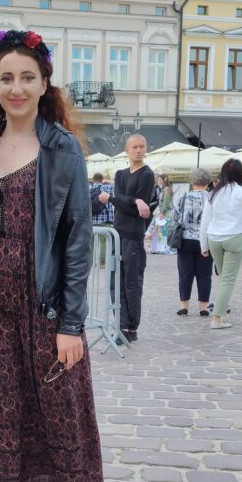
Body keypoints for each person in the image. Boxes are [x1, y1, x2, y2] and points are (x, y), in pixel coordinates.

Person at [0, 28, 103, 482]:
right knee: (2, 407)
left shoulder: (62, 148)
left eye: (27, 77)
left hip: (45, 304)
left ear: (45, 83)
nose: (16, 87)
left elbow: (77, 240)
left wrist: (71, 321)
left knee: (60, 405)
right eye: (6, 78)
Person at [99, 135, 156, 342]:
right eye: (134, 147)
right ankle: (121, 326)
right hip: (118, 233)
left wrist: (113, 199)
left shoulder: (147, 174)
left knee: (132, 283)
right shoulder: (121, 174)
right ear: (127, 150)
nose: (139, 150)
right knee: (115, 282)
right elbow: (125, 203)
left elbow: (131, 210)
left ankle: (131, 328)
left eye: (142, 146)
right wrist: (134, 200)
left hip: (133, 236)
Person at [200, 158, 242, 329]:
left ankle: (221, 314)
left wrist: (203, 245)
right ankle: (217, 318)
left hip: (214, 238)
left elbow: (205, 222)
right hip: (235, 237)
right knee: (228, 279)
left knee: (224, 277)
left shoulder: (213, 193)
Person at [173, 169, 214, 317]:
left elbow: (175, 217)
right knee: (205, 275)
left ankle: (184, 306)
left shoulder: (183, 197)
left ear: (192, 182)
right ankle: (203, 307)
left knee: (185, 274)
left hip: (186, 240)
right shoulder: (212, 198)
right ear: (208, 182)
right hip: (206, 241)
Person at [145, 174, 174, 254]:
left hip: (165, 213)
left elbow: (165, 202)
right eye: (158, 180)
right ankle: (159, 248)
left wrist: (162, 213)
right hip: (163, 212)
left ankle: (162, 248)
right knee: (160, 230)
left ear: (165, 179)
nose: (159, 181)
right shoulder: (165, 189)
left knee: (162, 231)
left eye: (160, 180)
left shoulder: (167, 189)